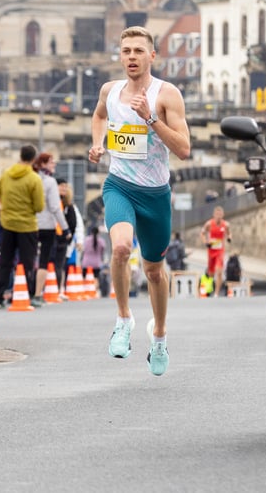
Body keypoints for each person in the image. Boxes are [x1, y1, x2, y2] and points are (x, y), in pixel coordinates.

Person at [89, 25, 191, 376]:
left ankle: (159, 337)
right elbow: (100, 115)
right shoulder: (110, 90)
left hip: (155, 195)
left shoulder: (167, 94)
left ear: (152, 56)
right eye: (126, 51)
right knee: (119, 249)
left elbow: (183, 149)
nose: (131, 57)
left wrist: (150, 118)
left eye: (138, 51)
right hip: (119, 185)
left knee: (153, 271)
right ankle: (123, 320)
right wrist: (98, 143)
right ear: (120, 55)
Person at [0, 144, 44, 309]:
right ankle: (25, 293)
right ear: (33, 159)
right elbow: (39, 206)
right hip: (27, 225)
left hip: (7, 223)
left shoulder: (5, 175)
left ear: (20, 155)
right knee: (27, 262)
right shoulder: (34, 178)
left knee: (5, 261)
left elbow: (0, 195)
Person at [33, 153, 69, 306]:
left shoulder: (31, 178)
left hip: (30, 223)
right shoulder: (50, 181)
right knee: (43, 261)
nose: (54, 164)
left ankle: (21, 289)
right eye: (51, 162)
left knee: (27, 258)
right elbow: (55, 207)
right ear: (43, 164)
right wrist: (65, 227)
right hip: (47, 225)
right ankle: (36, 294)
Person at [53, 179, 82, 297]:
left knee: (60, 265)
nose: (64, 189)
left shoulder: (69, 206)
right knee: (51, 264)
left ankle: (59, 289)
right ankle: (51, 288)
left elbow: (75, 223)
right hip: (52, 237)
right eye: (61, 187)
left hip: (63, 239)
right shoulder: (52, 202)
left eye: (66, 187)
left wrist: (71, 238)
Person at [199, 206, 231, 297]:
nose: (218, 216)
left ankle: (216, 293)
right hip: (211, 250)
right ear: (214, 215)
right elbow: (202, 233)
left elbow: (229, 233)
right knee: (211, 273)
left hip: (220, 250)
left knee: (219, 271)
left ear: (223, 215)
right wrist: (206, 242)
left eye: (220, 214)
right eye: (217, 214)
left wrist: (229, 238)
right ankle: (208, 289)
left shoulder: (226, 225)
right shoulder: (209, 224)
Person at [82, 224, 109, 297]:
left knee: (85, 277)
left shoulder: (86, 240)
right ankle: (94, 291)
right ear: (98, 233)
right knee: (96, 278)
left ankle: (85, 291)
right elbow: (103, 250)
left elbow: (83, 250)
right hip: (96, 263)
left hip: (86, 262)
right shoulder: (101, 241)